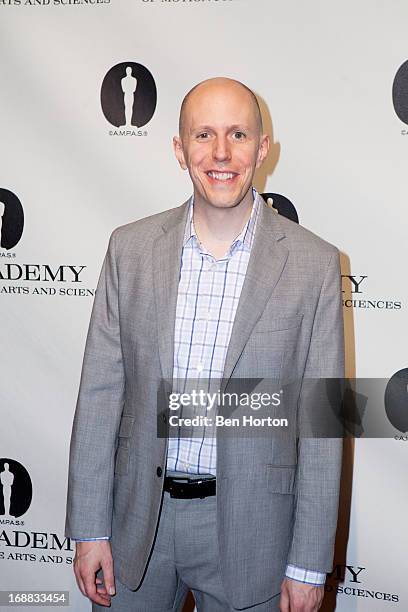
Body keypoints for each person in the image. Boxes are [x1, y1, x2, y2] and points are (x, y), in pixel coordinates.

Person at [65, 77, 344, 612]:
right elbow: (100, 398)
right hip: (137, 524)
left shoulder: (314, 265)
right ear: (179, 149)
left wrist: (309, 561)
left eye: (238, 134)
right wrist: (88, 527)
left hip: (255, 532)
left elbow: (324, 423)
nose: (221, 153)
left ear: (263, 149)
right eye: (203, 135)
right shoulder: (130, 249)